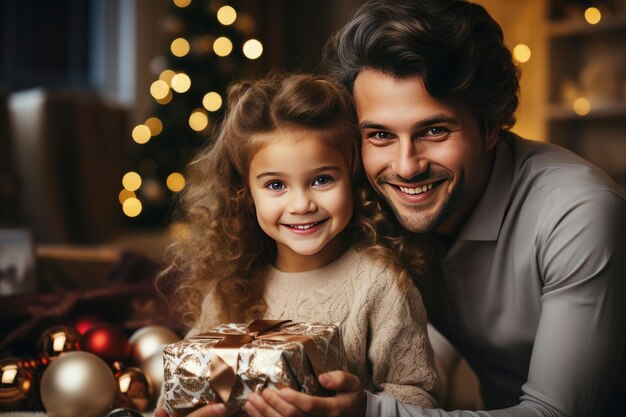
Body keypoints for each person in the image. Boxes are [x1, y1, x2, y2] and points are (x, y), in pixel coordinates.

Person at [240, 1, 626, 417]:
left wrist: (370, 412)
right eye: (381, 135)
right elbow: (421, 349)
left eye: (434, 130)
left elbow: (555, 414)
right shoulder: (371, 201)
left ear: (492, 123)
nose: (407, 167)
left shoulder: (578, 214)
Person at [154, 72, 444, 417]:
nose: (301, 204)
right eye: (276, 185)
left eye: (322, 180)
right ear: (246, 196)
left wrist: (360, 407)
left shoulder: (379, 284)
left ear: (352, 180)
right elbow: (183, 386)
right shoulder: (230, 286)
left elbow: (420, 396)